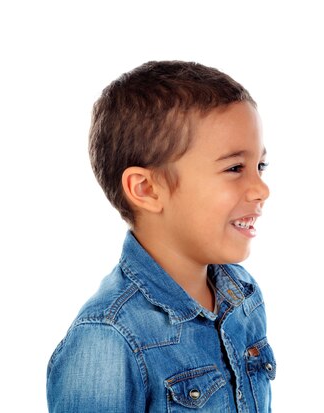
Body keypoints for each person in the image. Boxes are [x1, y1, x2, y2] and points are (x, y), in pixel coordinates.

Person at [46, 60, 276, 412]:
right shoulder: (108, 338)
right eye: (234, 168)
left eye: (260, 167)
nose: (261, 188)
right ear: (147, 189)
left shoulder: (242, 295)